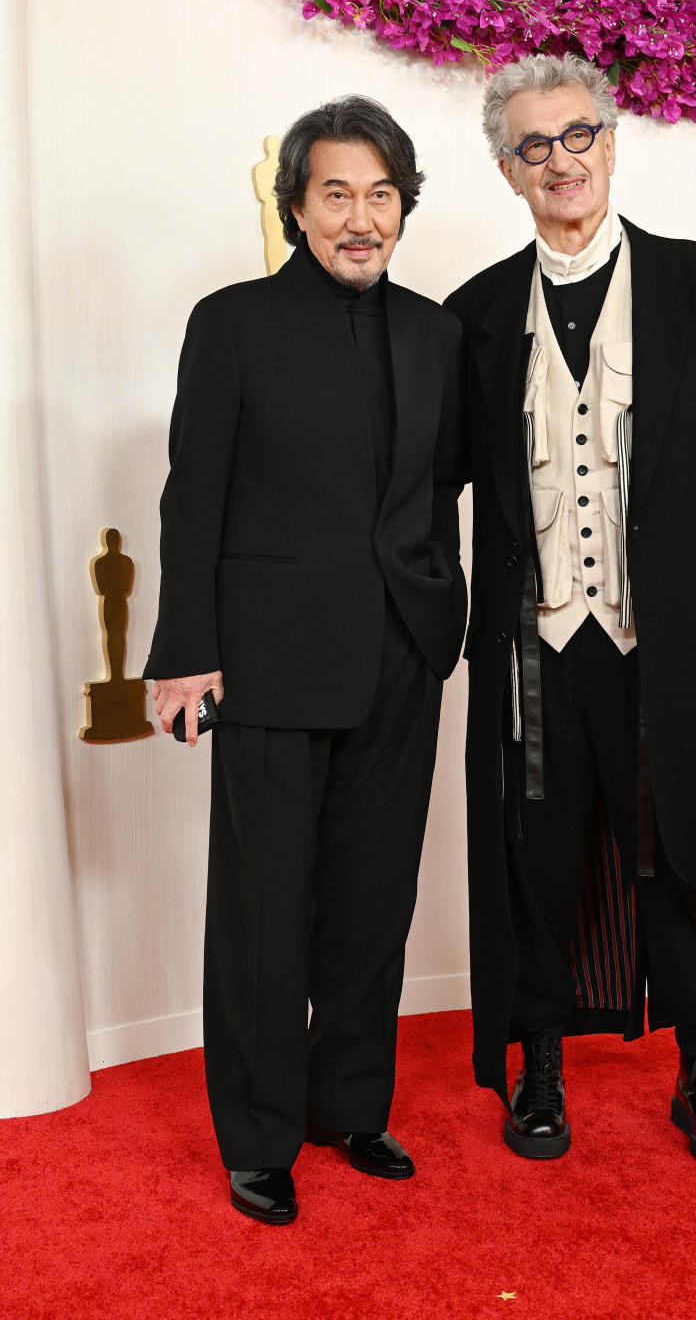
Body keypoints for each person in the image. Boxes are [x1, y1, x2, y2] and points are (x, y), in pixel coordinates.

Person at [444, 54, 696, 1170]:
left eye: (578, 134)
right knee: (540, 850)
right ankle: (540, 1060)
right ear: (508, 171)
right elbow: (423, 478)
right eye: (535, 146)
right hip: (538, 648)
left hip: (673, 644)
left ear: (611, 139)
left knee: (686, 844)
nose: (563, 161)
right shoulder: (477, 315)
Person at [145, 96, 465, 1223]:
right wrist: (185, 654)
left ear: (403, 208)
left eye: (381, 195)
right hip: (270, 661)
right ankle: (262, 1132)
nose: (360, 217)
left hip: (401, 655)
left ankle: (351, 1107)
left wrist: (444, 602)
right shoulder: (229, 322)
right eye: (337, 193)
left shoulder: (436, 332)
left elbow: (441, 486)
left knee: (374, 900)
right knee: (265, 909)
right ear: (295, 205)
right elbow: (195, 495)